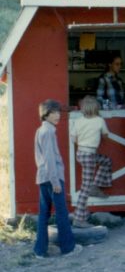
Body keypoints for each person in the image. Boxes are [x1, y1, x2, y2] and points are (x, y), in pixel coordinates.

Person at [34, 99, 82, 258]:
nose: (57, 115)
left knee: (44, 214)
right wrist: (55, 181)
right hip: (52, 178)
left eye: (58, 112)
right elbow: (49, 159)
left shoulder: (41, 130)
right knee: (61, 213)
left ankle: (40, 250)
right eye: (53, 113)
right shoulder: (48, 132)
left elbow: (40, 159)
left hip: (42, 177)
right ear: (45, 115)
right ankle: (68, 248)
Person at [70, 95, 112, 228]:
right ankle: (79, 218)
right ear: (96, 108)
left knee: (106, 161)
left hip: (81, 153)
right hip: (90, 154)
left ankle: (96, 185)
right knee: (85, 187)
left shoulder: (78, 120)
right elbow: (106, 135)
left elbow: (73, 138)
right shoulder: (99, 120)